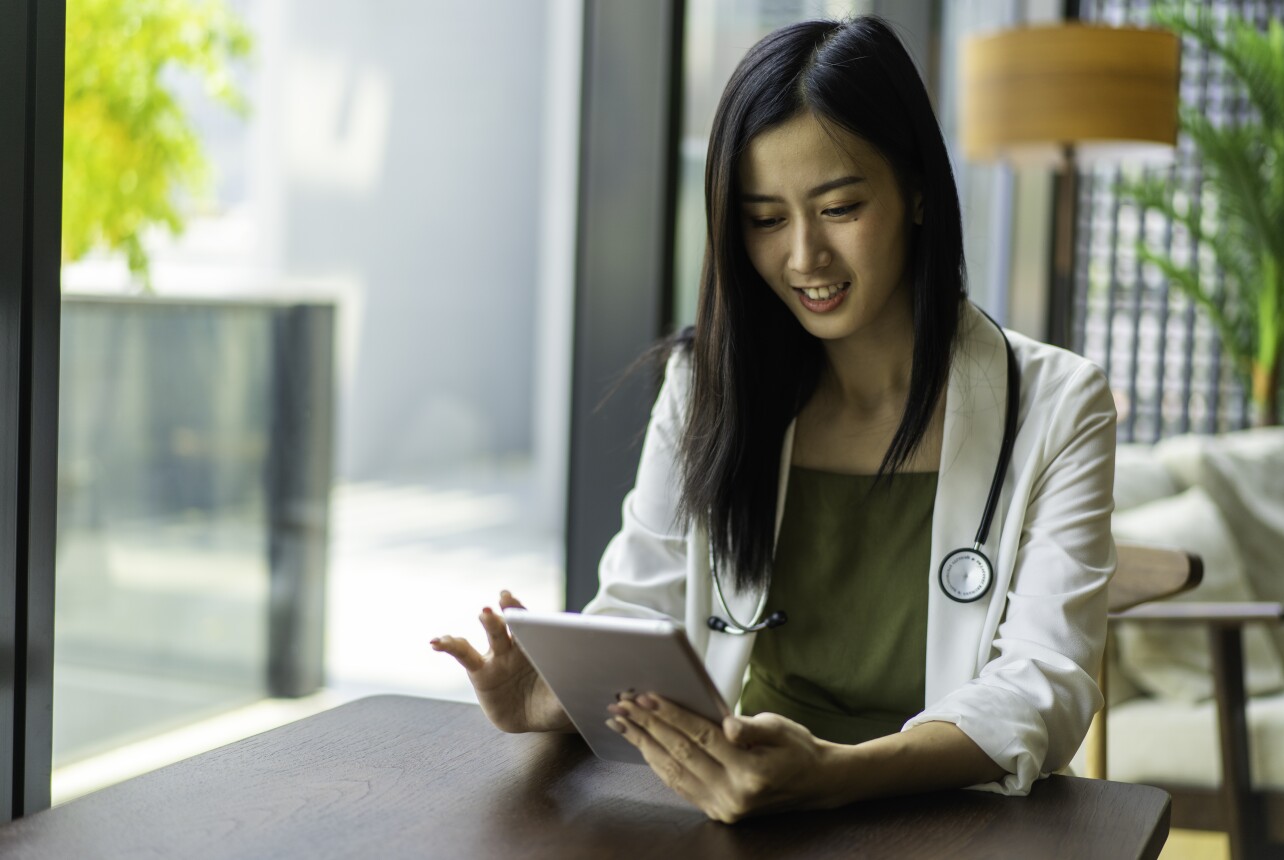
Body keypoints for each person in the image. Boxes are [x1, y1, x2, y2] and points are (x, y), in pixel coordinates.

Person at [432, 15, 1116, 823]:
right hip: (742, 808)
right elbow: (641, 612)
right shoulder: (705, 384)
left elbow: (1047, 683)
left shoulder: (1061, 404)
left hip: (951, 818)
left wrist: (840, 773)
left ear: (920, 190)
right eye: (764, 219)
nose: (803, 258)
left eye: (839, 207)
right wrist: (556, 698)